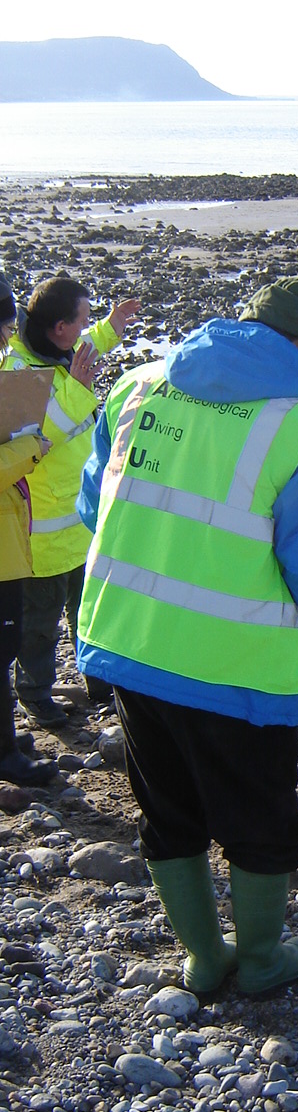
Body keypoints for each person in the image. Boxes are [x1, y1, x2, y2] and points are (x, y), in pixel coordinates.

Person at [75, 275, 298, 996]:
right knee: (259, 823)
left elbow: (90, 506)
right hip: (239, 667)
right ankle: (260, 960)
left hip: (132, 644)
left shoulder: (137, 385)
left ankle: (203, 957)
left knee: (166, 810)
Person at [0, 276, 139, 727]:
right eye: (82, 320)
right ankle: (35, 695)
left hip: (78, 520)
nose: (86, 328)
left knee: (89, 608)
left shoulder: (54, 349)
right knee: (40, 625)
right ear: (59, 327)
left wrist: (111, 328)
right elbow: (36, 437)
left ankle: (99, 682)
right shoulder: (17, 373)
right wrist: (80, 390)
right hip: (43, 534)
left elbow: (80, 349)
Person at [0, 276, 58, 785]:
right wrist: (29, 449)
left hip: (9, 541)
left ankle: (4, 735)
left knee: (6, 642)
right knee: (2, 643)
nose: (5, 338)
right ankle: (4, 755)